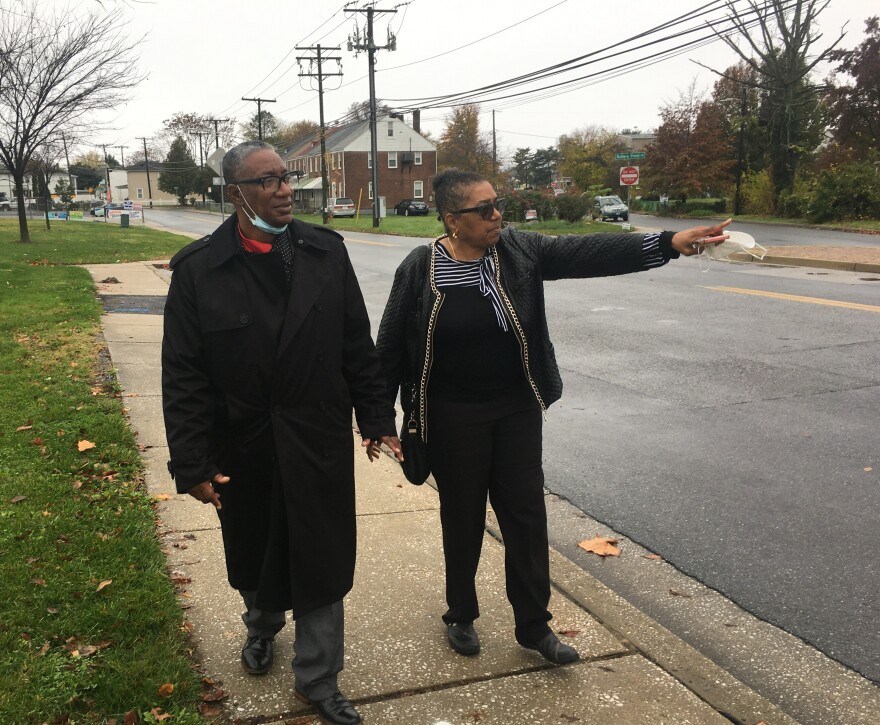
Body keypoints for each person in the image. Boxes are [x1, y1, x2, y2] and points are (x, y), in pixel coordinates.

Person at [375, 169, 728, 665]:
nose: (497, 215)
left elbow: (587, 253)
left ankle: (534, 626)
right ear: (453, 220)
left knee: (525, 514)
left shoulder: (518, 250)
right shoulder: (421, 267)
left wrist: (668, 242)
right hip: (452, 414)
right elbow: (389, 347)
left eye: (497, 204)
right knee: (463, 516)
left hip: (516, 405)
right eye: (483, 209)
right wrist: (378, 420)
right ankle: (460, 613)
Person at [162, 140, 401, 725]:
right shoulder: (199, 270)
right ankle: (263, 625)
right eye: (267, 181)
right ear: (235, 193)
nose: (285, 189)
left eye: (286, 177)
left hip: (315, 436)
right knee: (258, 553)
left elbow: (355, 344)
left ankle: (318, 680)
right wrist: (191, 463)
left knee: (321, 559)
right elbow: (183, 375)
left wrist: (376, 418)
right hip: (242, 444)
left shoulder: (325, 252)